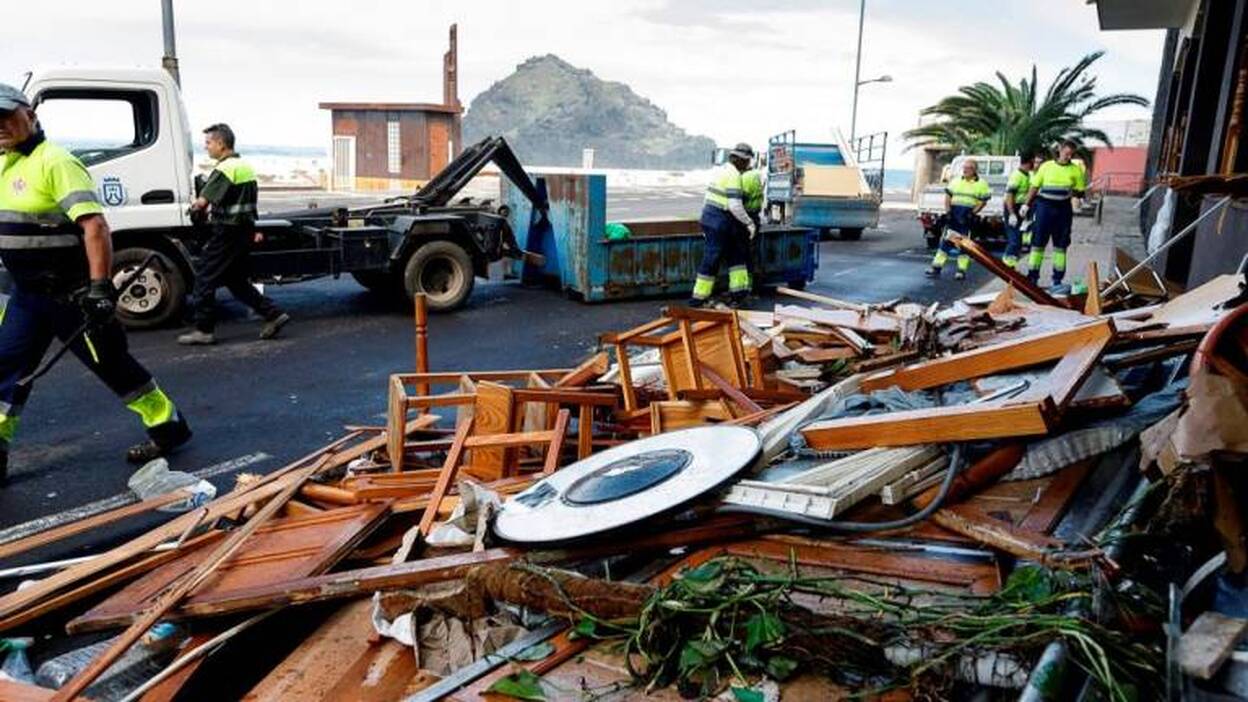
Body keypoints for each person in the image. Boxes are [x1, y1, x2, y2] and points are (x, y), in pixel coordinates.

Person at [0, 84, 191, 481]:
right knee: (6, 370)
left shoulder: (56, 161)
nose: (0, 126)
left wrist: (100, 288)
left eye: (6, 116)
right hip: (26, 297)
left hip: (71, 297)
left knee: (114, 366)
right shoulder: (7, 164)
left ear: (30, 115)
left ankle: (169, 427)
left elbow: (95, 227)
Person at [177, 124, 289, 345]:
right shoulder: (244, 167)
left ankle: (204, 330)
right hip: (244, 231)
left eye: (208, 143)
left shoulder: (225, 169)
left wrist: (193, 208)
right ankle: (273, 314)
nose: (206, 147)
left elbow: (202, 202)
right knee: (235, 280)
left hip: (226, 232)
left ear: (221, 144)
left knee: (204, 277)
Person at [690, 143, 755, 307]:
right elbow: (735, 206)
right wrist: (749, 222)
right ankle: (699, 298)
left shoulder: (720, 171)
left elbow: (708, 198)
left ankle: (738, 294)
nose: (748, 165)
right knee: (714, 258)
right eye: (746, 161)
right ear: (738, 160)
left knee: (735, 254)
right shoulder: (734, 176)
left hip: (711, 218)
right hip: (721, 221)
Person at [1025, 140, 1086, 287]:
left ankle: (1057, 279)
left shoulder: (1075, 170)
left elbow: (1079, 191)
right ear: (1059, 150)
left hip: (1063, 210)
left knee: (1061, 245)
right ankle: (1032, 277)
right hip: (1044, 207)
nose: (1067, 156)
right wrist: (1026, 205)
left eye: (1070, 154)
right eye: (1066, 153)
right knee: (1038, 243)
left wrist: (1078, 199)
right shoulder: (1047, 167)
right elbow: (1034, 186)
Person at [925, 159, 990, 281]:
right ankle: (936, 268)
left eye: (969, 168)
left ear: (975, 170)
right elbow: (948, 196)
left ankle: (961, 271)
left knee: (964, 245)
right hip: (954, 215)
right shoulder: (956, 181)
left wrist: (973, 213)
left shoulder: (981, 184)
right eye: (964, 167)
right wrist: (948, 211)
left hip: (967, 216)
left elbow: (983, 201)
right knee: (946, 242)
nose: (965, 170)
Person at [1002, 152, 1035, 270]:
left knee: (1018, 241)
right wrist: (1011, 214)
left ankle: (1011, 266)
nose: (1034, 164)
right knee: (1014, 240)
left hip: (1020, 209)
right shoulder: (1017, 176)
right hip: (1012, 208)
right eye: (1033, 162)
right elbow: (1009, 196)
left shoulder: (1027, 175)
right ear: (1029, 162)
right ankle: (1007, 266)